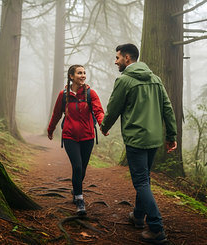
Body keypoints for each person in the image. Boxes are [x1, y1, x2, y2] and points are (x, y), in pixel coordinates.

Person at [100, 44, 177, 244]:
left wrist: (104, 125)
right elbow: (167, 108)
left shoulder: (124, 80)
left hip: (136, 139)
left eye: (117, 57)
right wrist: (171, 135)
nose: (115, 61)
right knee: (145, 180)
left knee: (141, 182)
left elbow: (114, 107)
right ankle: (138, 216)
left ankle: (156, 228)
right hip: (153, 140)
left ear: (127, 58)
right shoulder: (156, 79)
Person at [47, 65, 104, 215]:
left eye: (84, 73)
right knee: (77, 167)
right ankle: (79, 199)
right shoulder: (64, 94)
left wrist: (103, 125)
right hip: (70, 137)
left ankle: (75, 188)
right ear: (71, 76)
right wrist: (50, 129)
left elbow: (99, 111)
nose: (83, 75)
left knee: (82, 168)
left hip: (88, 137)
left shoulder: (91, 94)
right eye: (79, 73)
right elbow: (56, 114)